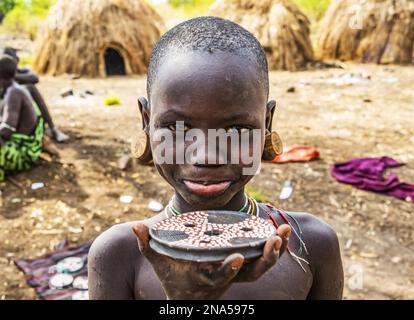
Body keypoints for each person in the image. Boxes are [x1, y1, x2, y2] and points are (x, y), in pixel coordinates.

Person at [88, 17, 344, 300]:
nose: (206, 156)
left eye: (236, 129)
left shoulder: (312, 245)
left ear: (267, 123)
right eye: (177, 128)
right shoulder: (119, 255)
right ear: (146, 121)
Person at [1, 47, 69, 143]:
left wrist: (10, 75)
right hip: (8, 112)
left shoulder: (18, 79)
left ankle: (53, 128)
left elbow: (35, 78)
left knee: (30, 87)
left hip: (17, 117)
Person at [0, 54, 44, 181]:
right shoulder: (14, 89)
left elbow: (7, 131)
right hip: (23, 146)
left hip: (23, 152)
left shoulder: (14, 93)